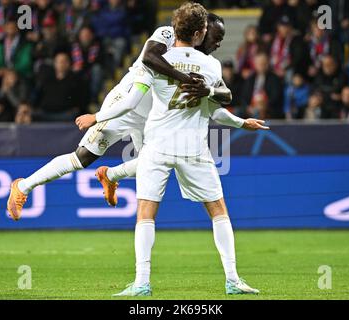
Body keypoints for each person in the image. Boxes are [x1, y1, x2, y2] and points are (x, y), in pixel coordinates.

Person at [87, 2, 267, 297]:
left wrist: (97, 116)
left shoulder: (155, 60)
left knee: (146, 213)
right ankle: (233, 280)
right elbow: (216, 105)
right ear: (199, 33)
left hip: (156, 146)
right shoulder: (210, 66)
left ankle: (142, 282)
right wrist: (238, 122)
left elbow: (132, 102)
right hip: (193, 147)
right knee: (218, 211)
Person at [6, 11, 241, 218]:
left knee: (152, 162)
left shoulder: (203, 63)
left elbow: (224, 94)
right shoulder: (168, 34)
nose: (218, 43)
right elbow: (150, 57)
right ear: (202, 31)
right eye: (216, 37)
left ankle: (111, 176)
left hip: (152, 116)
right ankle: (23, 186)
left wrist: (210, 91)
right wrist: (185, 80)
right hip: (125, 102)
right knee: (82, 158)